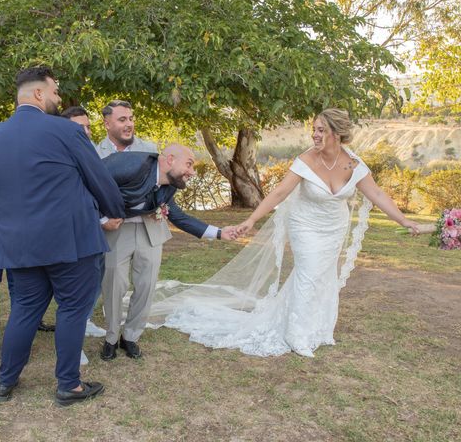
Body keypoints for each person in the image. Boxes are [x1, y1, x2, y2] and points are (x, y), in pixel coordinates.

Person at [150, 108, 420, 358]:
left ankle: (318, 326)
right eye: (313, 129)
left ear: (337, 134)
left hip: (333, 228)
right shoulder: (305, 160)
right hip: (305, 226)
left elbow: (377, 194)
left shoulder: (354, 165)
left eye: (320, 130)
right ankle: (296, 333)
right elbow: (279, 193)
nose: (314, 135)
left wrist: (404, 221)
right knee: (308, 272)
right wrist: (252, 219)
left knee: (323, 276)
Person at [0, 66, 126, 406]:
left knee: (24, 309)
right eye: (56, 91)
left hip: (18, 243)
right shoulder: (65, 131)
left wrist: (4, 226)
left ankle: (5, 381)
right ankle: (68, 384)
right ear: (39, 93)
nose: (59, 98)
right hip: (70, 241)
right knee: (72, 308)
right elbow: (98, 178)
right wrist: (115, 208)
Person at [98, 144, 239, 361]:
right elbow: (91, 186)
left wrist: (219, 233)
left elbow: (179, 217)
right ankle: (111, 338)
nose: (192, 172)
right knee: (115, 283)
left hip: (151, 230)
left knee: (146, 284)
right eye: (189, 164)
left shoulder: (172, 183)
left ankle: (131, 336)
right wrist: (103, 220)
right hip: (119, 229)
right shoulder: (130, 166)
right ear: (170, 160)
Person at [60, 106, 106, 346]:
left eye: (88, 127)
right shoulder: (61, 156)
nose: (87, 132)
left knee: (97, 277)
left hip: (96, 230)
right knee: (74, 290)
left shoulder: (93, 152)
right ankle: (72, 339)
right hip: (72, 232)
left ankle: (86, 320)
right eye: (81, 128)